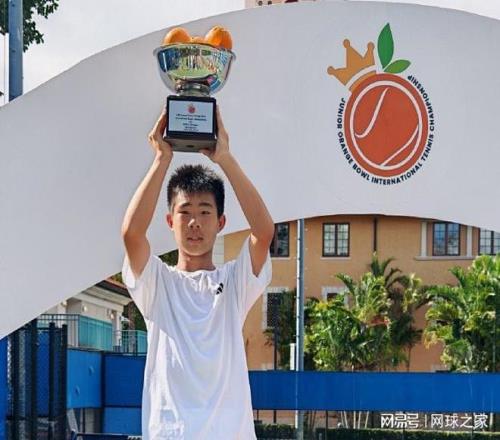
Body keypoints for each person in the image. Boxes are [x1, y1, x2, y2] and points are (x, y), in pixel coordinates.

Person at [121, 105, 275, 439]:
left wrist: (225, 159)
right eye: (185, 211)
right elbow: (132, 234)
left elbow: (263, 232)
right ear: (169, 221)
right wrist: (161, 159)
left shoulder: (234, 282)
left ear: (221, 222)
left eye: (205, 212)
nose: (194, 222)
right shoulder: (158, 283)